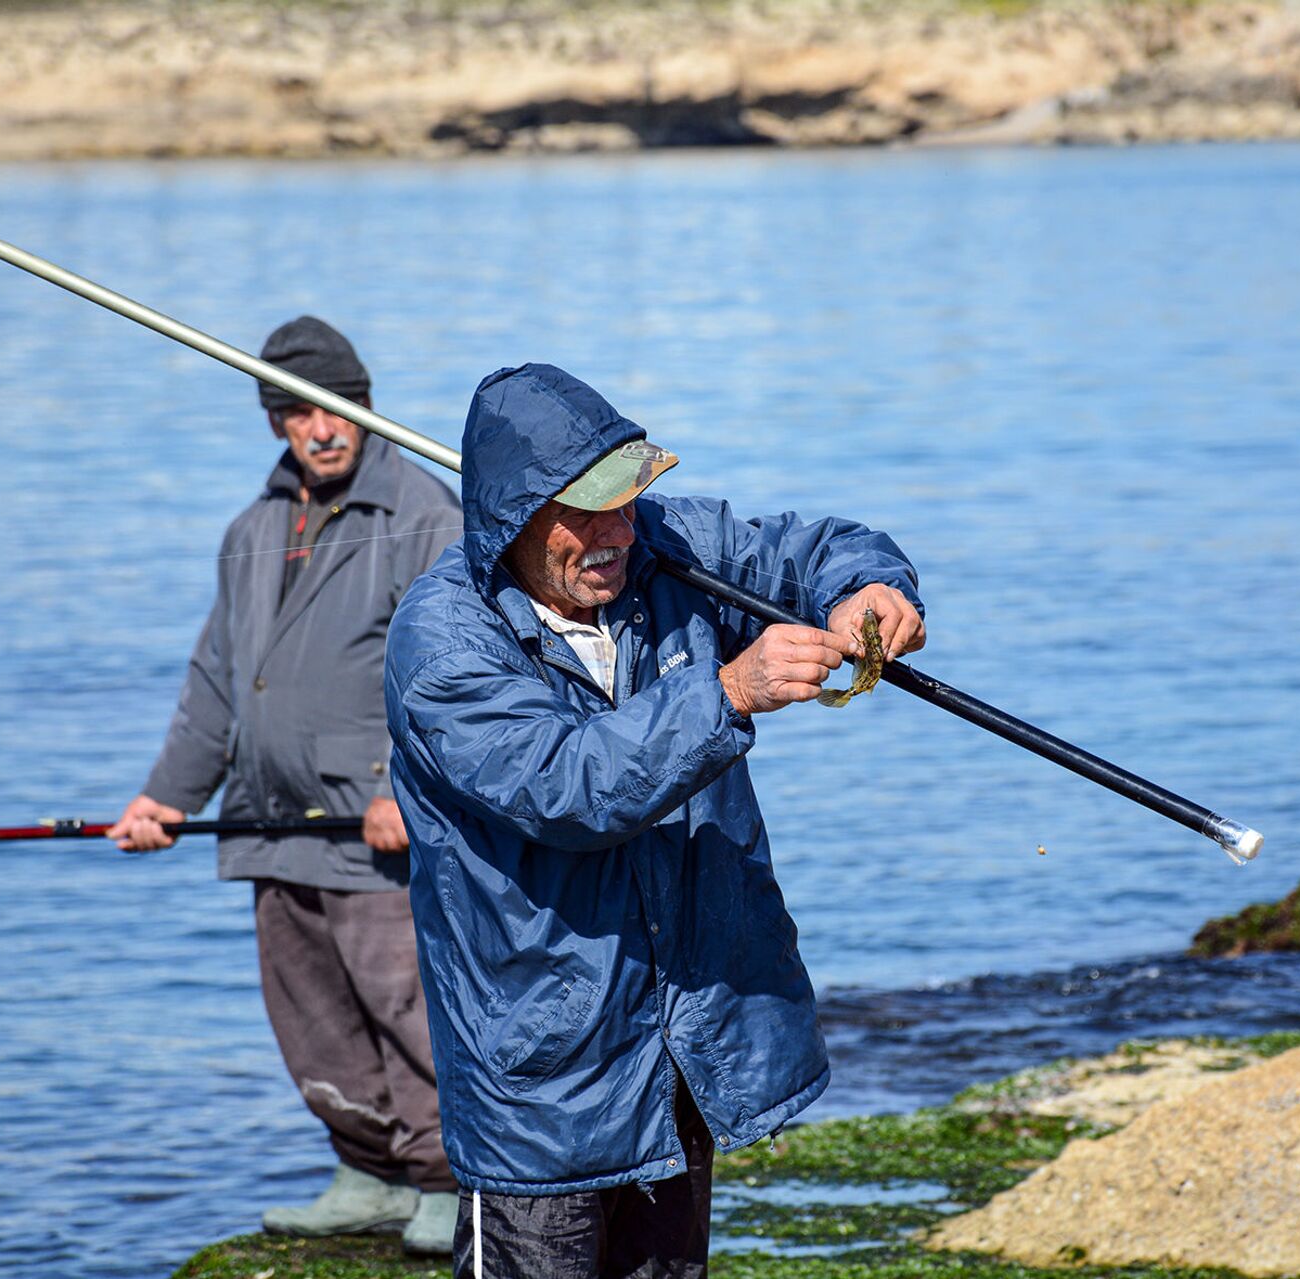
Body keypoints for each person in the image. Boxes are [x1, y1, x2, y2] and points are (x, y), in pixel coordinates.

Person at [383, 363, 925, 1277]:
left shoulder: (662, 543)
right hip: (538, 1096)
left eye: (629, 502)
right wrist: (729, 692)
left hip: (679, 1061)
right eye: (587, 514)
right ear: (514, 516)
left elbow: (811, 545)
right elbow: (566, 786)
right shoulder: (440, 643)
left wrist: (867, 587)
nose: (618, 534)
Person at [106, 316, 463, 1252]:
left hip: (378, 824)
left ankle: (444, 1175)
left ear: (368, 407)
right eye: (300, 412)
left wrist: (405, 791)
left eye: (339, 407)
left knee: (406, 1002)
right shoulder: (252, 527)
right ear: (276, 422)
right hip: (265, 823)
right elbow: (220, 675)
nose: (324, 428)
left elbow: (450, 681)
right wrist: (168, 797)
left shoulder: (427, 515)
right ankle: (367, 1168)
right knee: (307, 1011)